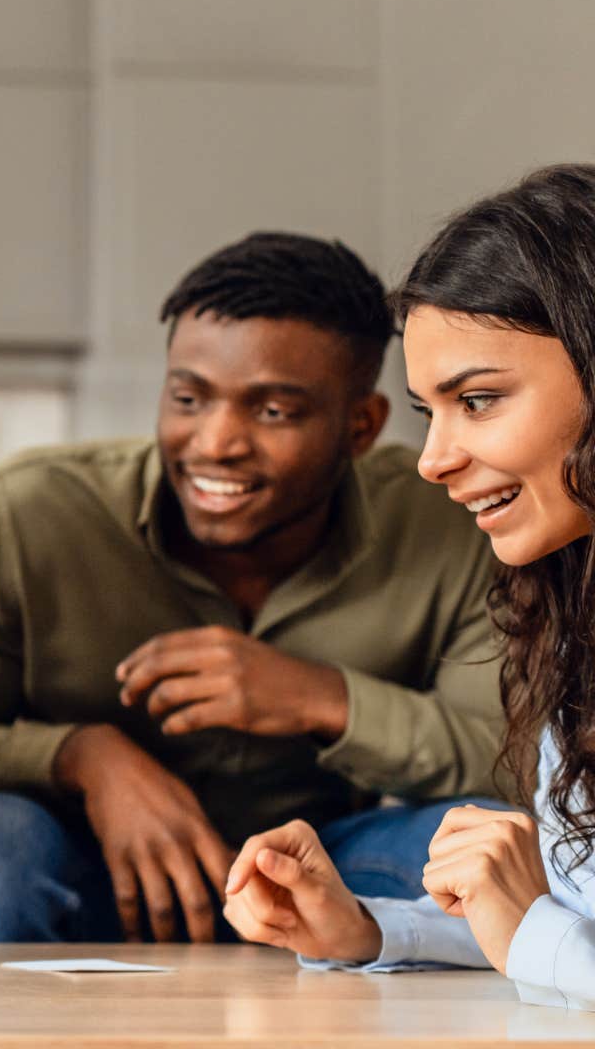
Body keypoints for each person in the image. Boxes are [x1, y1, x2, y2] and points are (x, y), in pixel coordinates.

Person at [0, 232, 506, 944]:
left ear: (360, 427)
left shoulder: (449, 521)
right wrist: (82, 758)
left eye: (273, 411)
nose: (214, 442)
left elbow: (510, 762)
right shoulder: (34, 514)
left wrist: (319, 698)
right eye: (189, 398)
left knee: (491, 844)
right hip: (85, 869)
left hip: (330, 875)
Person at [224, 164, 595, 1010]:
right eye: (433, 412)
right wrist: (366, 928)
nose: (433, 461)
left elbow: (548, 933)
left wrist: (530, 923)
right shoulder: (572, 621)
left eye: (481, 400)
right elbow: (569, 925)